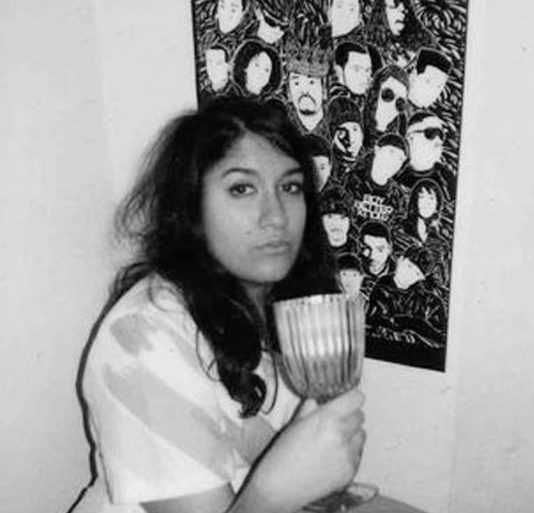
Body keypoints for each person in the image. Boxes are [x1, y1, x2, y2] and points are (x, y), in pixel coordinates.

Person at [68, 97, 366, 513]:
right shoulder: (142, 339)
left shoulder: (284, 304)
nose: (276, 216)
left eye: (290, 187)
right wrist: (274, 491)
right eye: (242, 189)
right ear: (191, 209)